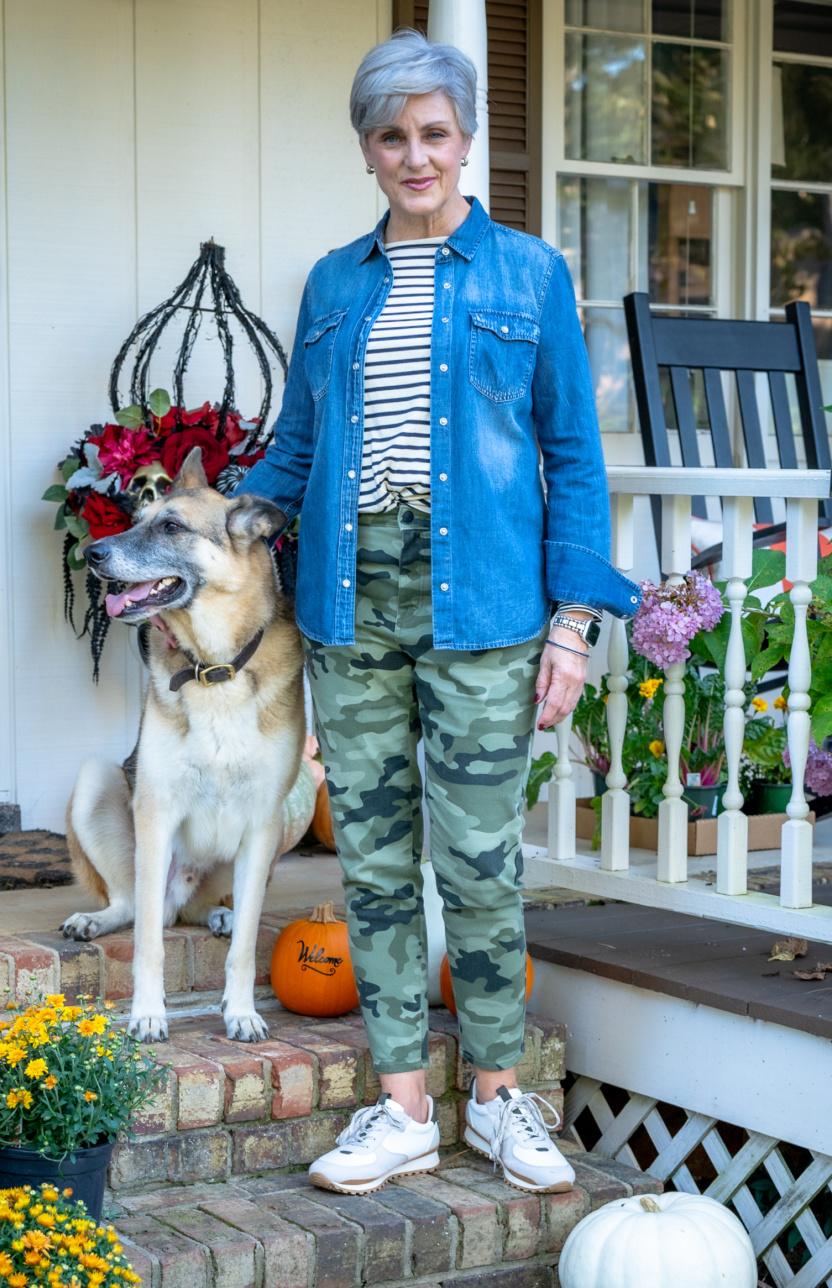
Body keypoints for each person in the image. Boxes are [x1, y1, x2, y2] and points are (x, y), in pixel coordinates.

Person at [237, 29, 640, 1195]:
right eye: (391, 136)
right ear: (366, 150)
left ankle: (501, 1098)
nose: (414, 155)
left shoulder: (531, 275)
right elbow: (296, 449)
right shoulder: (332, 283)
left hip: (489, 608)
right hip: (350, 600)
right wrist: (212, 534)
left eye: (433, 133)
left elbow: (574, 454)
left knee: (477, 862)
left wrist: (573, 623)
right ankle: (404, 1104)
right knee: (370, 861)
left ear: (466, 141)